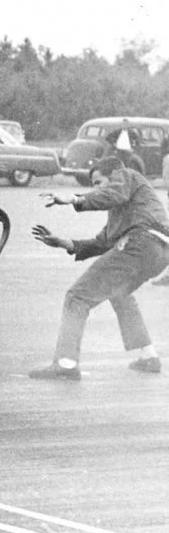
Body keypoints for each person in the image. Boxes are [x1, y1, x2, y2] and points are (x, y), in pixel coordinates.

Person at [28, 156, 169, 380]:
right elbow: (103, 242)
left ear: (114, 173)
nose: (95, 189)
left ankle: (66, 363)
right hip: (159, 252)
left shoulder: (126, 175)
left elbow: (112, 193)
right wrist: (65, 243)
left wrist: (75, 198)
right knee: (119, 293)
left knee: (77, 296)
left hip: (140, 244)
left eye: (97, 182)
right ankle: (148, 356)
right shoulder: (125, 209)